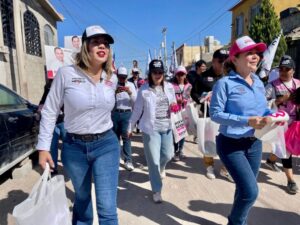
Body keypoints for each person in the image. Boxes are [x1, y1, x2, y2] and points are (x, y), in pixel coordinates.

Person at [37, 25, 120, 225]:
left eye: (106, 43)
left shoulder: (112, 78)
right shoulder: (66, 74)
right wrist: (43, 148)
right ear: (85, 47)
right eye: (96, 42)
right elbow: (50, 111)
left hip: (106, 145)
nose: (102, 46)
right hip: (74, 147)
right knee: (82, 204)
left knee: (107, 208)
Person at [210, 35, 271, 225]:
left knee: (243, 190)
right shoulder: (224, 84)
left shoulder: (259, 83)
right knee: (250, 192)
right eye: (249, 53)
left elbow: (263, 110)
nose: (255, 56)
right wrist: (247, 121)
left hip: (254, 144)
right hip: (231, 146)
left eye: (257, 53)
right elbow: (215, 114)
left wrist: (272, 115)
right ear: (235, 58)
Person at [128, 59, 177, 203]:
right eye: (155, 72)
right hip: (151, 129)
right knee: (153, 161)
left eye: (160, 72)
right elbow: (137, 110)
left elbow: (173, 101)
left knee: (168, 155)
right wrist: (130, 127)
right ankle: (156, 189)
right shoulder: (144, 89)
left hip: (167, 127)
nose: (158, 75)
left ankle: (161, 168)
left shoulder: (169, 87)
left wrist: (174, 105)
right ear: (150, 73)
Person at [191, 49, 231, 180]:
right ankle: (209, 166)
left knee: (228, 141)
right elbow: (194, 93)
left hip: (225, 115)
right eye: (221, 61)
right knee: (209, 141)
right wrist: (203, 98)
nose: (224, 64)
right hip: (208, 114)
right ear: (213, 61)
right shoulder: (203, 77)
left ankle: (226, 168)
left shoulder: (230, 76)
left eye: (226, 61)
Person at [265, 55, 300, 194]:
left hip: (296, 122)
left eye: (287, 69)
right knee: (286, 151)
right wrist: (281, 99)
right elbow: (263, 103)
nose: (284, 71)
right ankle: (290, 180)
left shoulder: (298, 83)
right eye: (281, 69)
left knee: (284, 148)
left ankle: (271, 161)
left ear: (293, 70)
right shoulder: (272, 85)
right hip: (280, 123)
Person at [38, 79, 65, 175]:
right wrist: (40, 107)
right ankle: (53, 168)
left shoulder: (67, 81)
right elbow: (43, 100)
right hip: (52, 122)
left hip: (64, 121)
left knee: (68, 145)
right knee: (52, 146)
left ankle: (69, 164)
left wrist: (58, 106)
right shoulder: (49, 85)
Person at [112, 66, 137, 171]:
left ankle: (128, 160)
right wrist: (114, 93)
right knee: (115, 138)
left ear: (127, 76)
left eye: (124, 77)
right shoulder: (113, 85)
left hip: (127, 114)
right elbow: (107, 100)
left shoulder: (131, 85)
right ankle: (115, 160)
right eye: (120, 77)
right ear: (117, 76)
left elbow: (136, 101)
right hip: (115, 113)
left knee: (126, 137)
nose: (122, 79)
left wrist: (130, 93)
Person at [171, 65, 192, 161]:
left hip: (185, 112)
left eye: (182, 74)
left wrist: (185, 101)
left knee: (183, 132)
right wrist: (176, 102)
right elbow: (169, 98)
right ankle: (175, 150)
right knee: (175, 132)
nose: (180, 76)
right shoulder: (171, 86)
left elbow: (190, 98)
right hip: (175, 113)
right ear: (175, 75)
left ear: (185, 75)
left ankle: (181, 150)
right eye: (178, 74)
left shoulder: (189, 86)